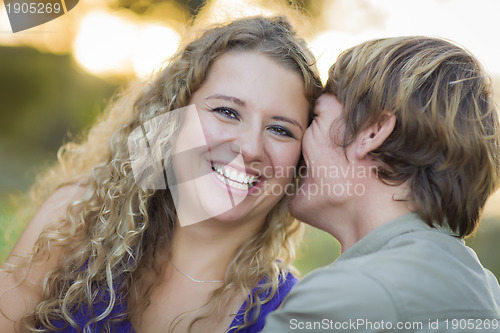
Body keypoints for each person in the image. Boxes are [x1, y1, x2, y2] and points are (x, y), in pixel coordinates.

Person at [0, 16, 322, 333]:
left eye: (280, 130)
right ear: (175, 115)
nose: (250, 148)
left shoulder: (293, 315)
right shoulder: (72, 222)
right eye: (227, 111)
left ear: (301, 159)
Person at [262, 36, 500, 332]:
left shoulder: (347, 297)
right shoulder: (485, 291)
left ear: (373, 132)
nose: (296, 145)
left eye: (316, 118)